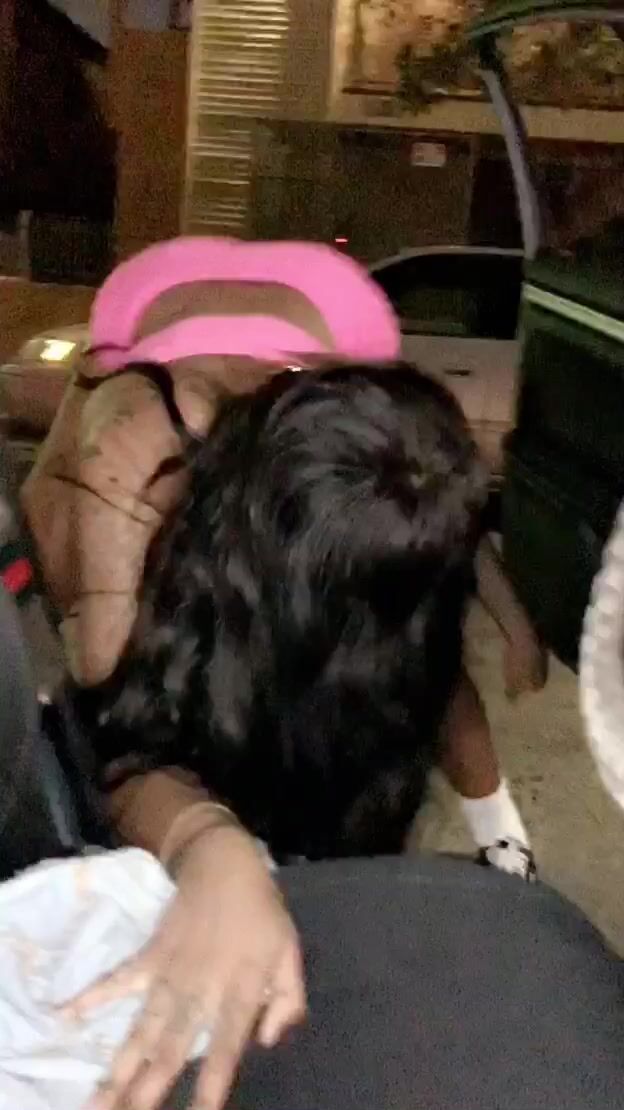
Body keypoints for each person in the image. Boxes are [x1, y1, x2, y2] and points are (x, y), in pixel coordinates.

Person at [18, 239, 547, 1109]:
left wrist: (512, 626)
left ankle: (505, 845)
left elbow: (430, 529)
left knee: (393, 624)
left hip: (332, 335)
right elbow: (113, 716)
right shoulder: (132, 454)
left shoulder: (383, 442)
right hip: (165, 352)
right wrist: (206, 841)